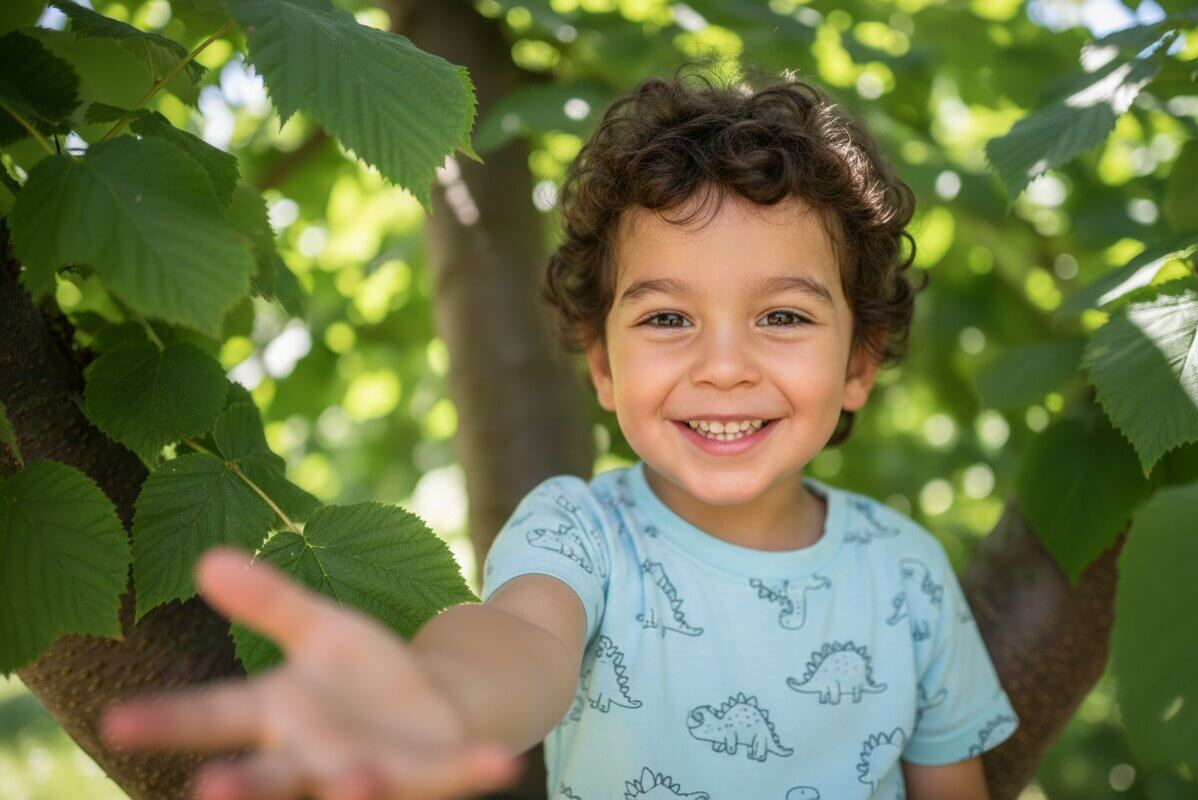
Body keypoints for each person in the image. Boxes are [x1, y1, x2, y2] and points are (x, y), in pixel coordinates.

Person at [102, 66, 1019, 800]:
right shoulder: (579, 533)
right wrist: (439, 700)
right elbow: (518, 647)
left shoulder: (906, 572)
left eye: (783, 317)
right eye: (667, 320)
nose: (725, 365)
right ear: (604, 364)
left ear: (860, 361)